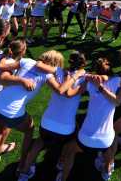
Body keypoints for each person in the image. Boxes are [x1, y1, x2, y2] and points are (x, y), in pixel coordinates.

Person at [0, 49, 61, 176]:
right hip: (11, 113)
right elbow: (60, 90)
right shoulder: (48, 75)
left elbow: (1, 66)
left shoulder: (27, 61)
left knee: (1, 131)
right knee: (29, 129)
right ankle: (22, 164)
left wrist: (4, 56)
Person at [17, 51, 86, 181]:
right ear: (83, 64)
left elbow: (38, 64)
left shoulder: (58, 71)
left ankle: (24, 172)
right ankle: (61, 162)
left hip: (47, 123)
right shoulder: (85, 78)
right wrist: (77, 76)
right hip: (66, 129)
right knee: (71, 142)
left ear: (69, 61)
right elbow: (68, 93)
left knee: (40, 141)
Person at [57, 57, 120, 181]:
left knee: (70, 150)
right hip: (105, 141)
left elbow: (69, 93)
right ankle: (107, 170)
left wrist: (69, 77)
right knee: (112, 145)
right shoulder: (117, 81)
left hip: (85, 138)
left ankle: (62, 175)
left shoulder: (89, 82)